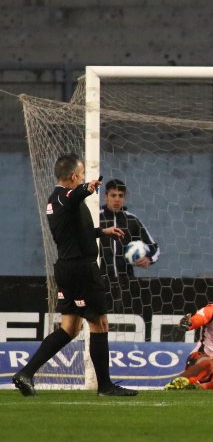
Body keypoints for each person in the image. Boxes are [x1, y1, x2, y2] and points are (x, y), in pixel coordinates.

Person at [12, 153, 137, 397]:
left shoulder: (56, 201)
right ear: (72, 177)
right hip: (82, 270)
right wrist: (88, 189)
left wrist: (103, 231)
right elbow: (75, 194)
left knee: (69, 328)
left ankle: (26, 373)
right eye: (80, 176)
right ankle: (105, 386)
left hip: (68, 268)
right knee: (99, 323)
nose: (81, 180)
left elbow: (77, 233)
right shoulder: (65, 196)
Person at [99, 178, 160, 340]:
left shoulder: (132, 220)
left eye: (120, 195)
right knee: (101, 324)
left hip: (127, 282)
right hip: (99, 281)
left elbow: (154, 247)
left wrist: (149, 259)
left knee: (124, 325)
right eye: (113, 195)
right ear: (106, 196)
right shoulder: (96, 217)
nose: (117, 199)